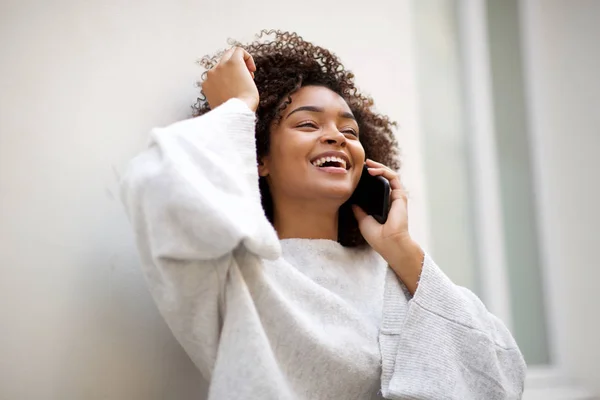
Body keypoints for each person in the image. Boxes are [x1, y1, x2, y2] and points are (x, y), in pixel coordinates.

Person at [121, 30, 526, 399]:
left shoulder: (392, 275)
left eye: (350, 132)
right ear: (257, 155)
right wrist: (239, 107)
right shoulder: (232, 266)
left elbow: (502, 376)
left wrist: (401, 250)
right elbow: (158, 185)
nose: (335, 136)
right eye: (307, 123)